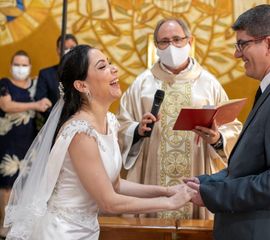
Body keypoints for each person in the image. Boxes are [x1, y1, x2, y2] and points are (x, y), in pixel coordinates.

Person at [4, 45, 195, 240]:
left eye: (110, 64)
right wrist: (169, 203)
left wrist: (167, 190)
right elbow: (109, 202)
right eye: (102, 66)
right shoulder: (81, 132)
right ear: (82, 85)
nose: (114, 69)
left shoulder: (110, 122)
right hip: (61, 232)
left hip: (87, 230)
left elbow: (116, 185)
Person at [185, 4, 270, 240]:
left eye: (243, 44)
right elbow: (249, 167)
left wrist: (214, 195)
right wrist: (205, 183)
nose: (237, 54)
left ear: (269, 44)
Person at [117, 18, 242, 220]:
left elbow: (233, 128)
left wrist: (217, 138)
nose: (171, 46)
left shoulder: (209, 83)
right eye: (164, 41)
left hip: (197, 170)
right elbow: (120, 125)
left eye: (177, 39)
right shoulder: (142, 84)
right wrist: (136, 130)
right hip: (152, 176)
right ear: (156, 46)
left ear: (190, 41)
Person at [0, 50, 52, 239]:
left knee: (26, 184)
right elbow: (6, 106)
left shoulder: (36, 85)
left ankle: (20, 226)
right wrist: (35, 105)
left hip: (30, 140)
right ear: (11, 65)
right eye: (17, 64)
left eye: (24, 65)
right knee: (7, 184)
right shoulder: (4, 84)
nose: (20, 68)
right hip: (8, 141)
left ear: (30, 67)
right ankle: (4, 226)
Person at [35, 33, 78, 120]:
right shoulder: (46, 74)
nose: (69, 51)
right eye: (65, 48)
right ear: (58, 50)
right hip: (54, 122)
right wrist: (59, 119)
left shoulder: (85, 73)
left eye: (73, 48)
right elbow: (41, 102)